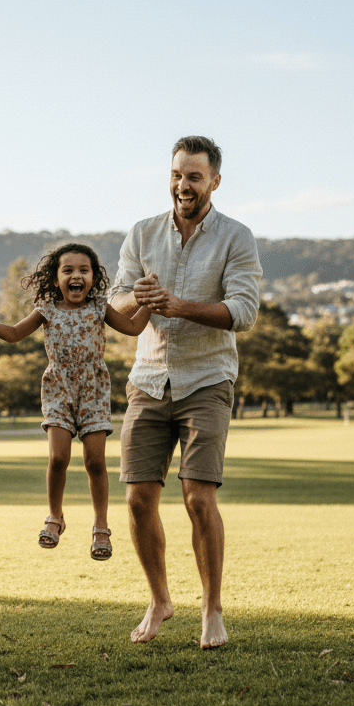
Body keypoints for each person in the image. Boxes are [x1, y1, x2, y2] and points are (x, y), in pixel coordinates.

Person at [109, 136, 261, 649]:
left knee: (198, 497)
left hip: (207, 379)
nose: (183, 185)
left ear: (214, 181)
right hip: (148, 380)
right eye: (177, 175)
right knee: (137, 498)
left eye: (194, 177)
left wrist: (179, 305)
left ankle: (212, 610)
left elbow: (243, 311)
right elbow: (116, 298)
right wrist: (137, 296)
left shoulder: (236, 237)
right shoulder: (142, 233)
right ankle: (160, 600)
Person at [0, 243, 152, 560]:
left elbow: (132, 327)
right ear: (55, 279)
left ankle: (100, 525)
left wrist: (150, 304)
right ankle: (55, 516)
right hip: (58, 390)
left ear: (93, 278)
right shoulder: (46, 309)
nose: (76, 276)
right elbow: (15, 333)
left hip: (94, 390)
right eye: (68, 270)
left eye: (84, 270)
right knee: (58, 458)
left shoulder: (100, 307)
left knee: (95, 462)